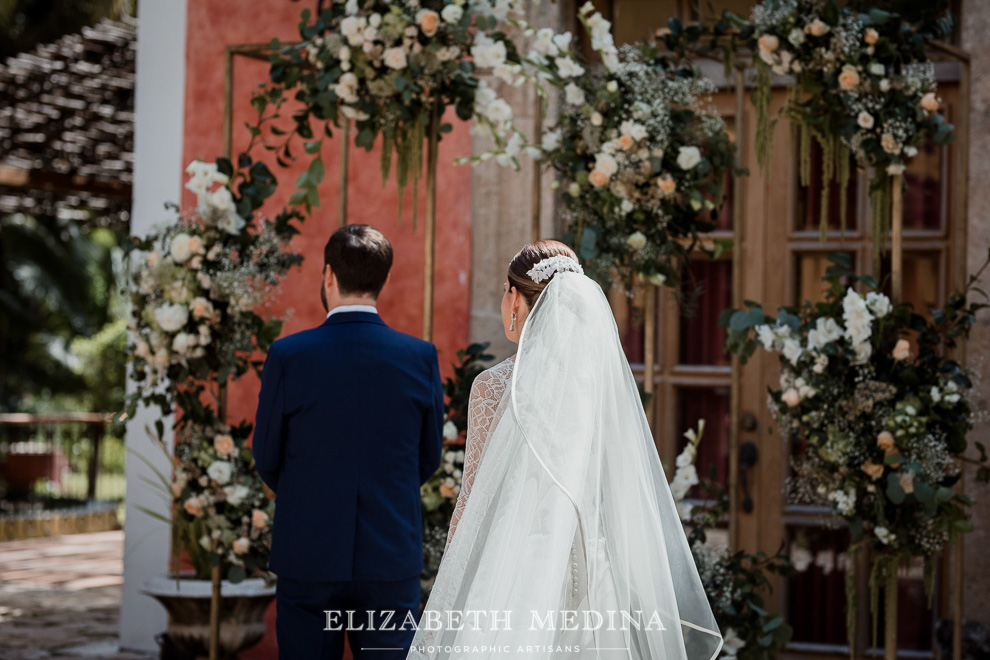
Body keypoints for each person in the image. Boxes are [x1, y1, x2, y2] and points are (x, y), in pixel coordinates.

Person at [409, 240, 723, 660]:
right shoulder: (601, 389)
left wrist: (445, 607)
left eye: (506, 291)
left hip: (517, 572)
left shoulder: (495, 388)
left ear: (516, 301)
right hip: (596, 579)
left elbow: (471, 502)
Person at [253, 224, 445, 660]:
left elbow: (266, 456)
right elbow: (428, 456)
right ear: (383, 280)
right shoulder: (419, 357)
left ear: (327, 276)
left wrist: (310, 495)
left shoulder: (288, 356)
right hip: (389, 553)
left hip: (307, 552)